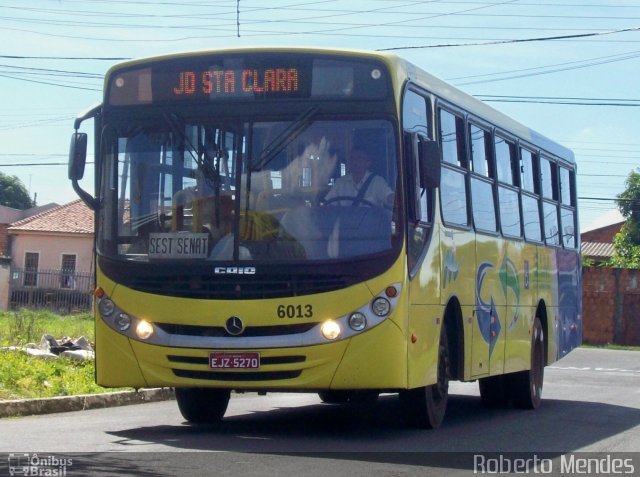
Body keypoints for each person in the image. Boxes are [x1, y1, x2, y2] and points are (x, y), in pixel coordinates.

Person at [323, 148, 394, 207]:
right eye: (352, 158)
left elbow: (390, 198)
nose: (355, 162)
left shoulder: (377, 182)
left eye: (359, 158)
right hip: (345, 223)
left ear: (368, 162)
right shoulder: (340, 183)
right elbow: (328, 204)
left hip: (370, 223)